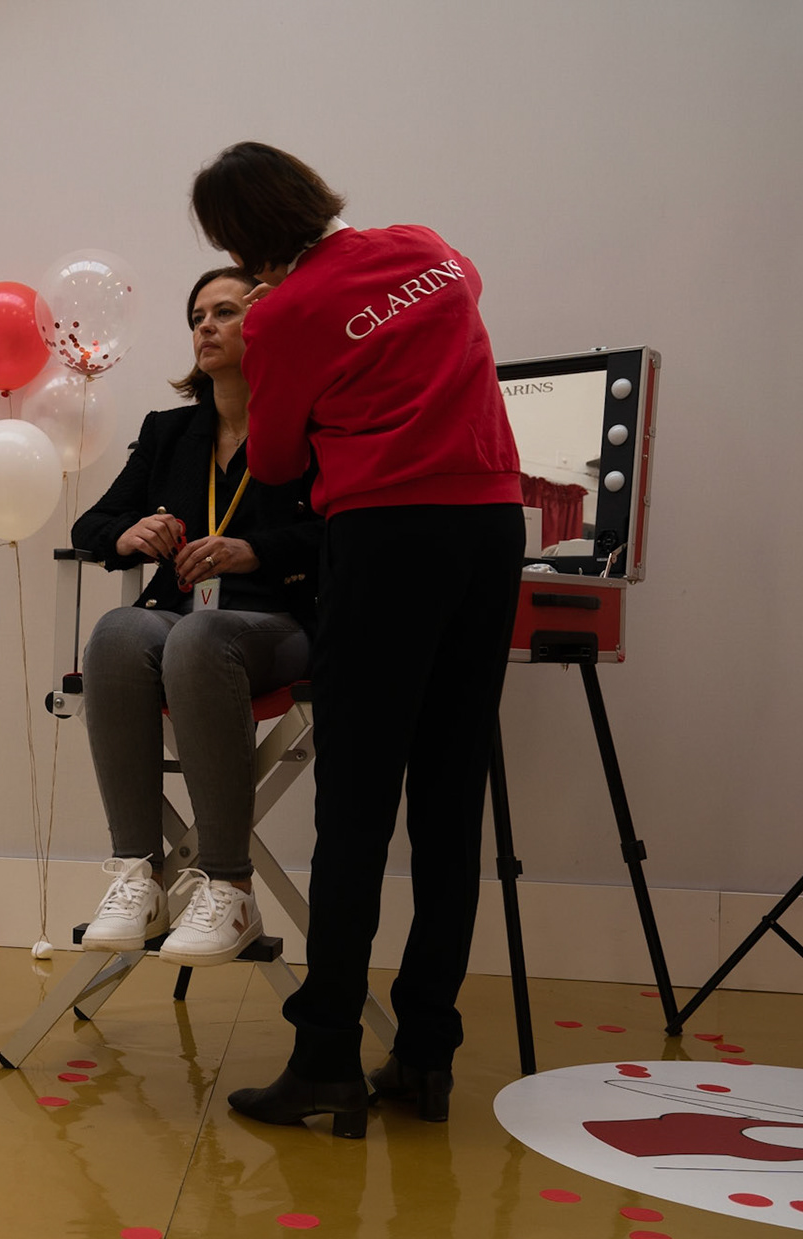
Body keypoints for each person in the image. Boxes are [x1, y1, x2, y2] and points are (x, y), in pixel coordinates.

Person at [191, 142, 524, 1136]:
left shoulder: (283, 312)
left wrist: (295, 345)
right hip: (491, 525)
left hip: (385, 534)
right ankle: (426, 1051)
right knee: (451, 795)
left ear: (240, 241)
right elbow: (463, 290)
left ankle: (327, 1055)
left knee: (358, 804)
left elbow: (276, 457)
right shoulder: (428, 248)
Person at [71, 267, 322, 967]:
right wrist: (129, 534)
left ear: (267, 324)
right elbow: (94, 523)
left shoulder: (311, 425)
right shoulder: (170, 431)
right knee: (118, 631)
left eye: (226, 312)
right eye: (197, 316)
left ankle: (231, 888)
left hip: (280, 621)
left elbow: (342, 533)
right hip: (182, 618)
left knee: (199, 635)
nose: (206, 326)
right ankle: (138, 877)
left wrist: (255, 550)